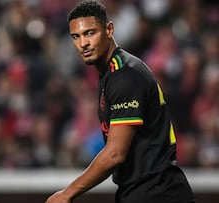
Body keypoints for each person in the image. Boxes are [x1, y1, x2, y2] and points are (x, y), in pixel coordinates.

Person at [45, 1, 195, 203]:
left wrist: (67, 193)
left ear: (109, 29)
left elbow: (115, 153)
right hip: (146, 192)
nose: (83, 43)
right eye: (76, 36)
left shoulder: (125, 75)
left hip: (157, 194)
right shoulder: (113, 73)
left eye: (90, 33)